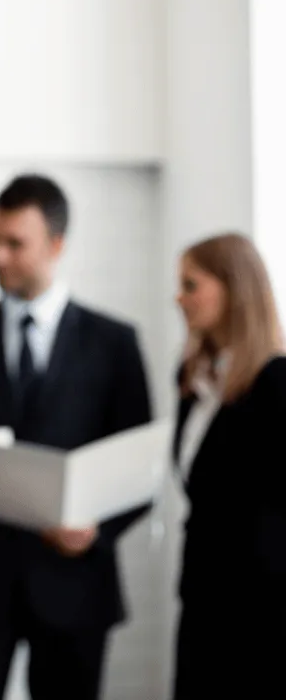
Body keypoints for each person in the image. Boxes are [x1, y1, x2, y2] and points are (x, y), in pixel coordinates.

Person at [0, 174, 153, 700]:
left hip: (76, 586)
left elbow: (139, 468)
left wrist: (96, 529)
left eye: (15, 243)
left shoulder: (115, 344)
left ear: (56, 245)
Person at [170, 233, 285, 700]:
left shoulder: (276, 383)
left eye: (191, 285)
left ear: (233, 289)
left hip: (261, 611)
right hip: (202, 599)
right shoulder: (192, 380)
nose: (179, 297)